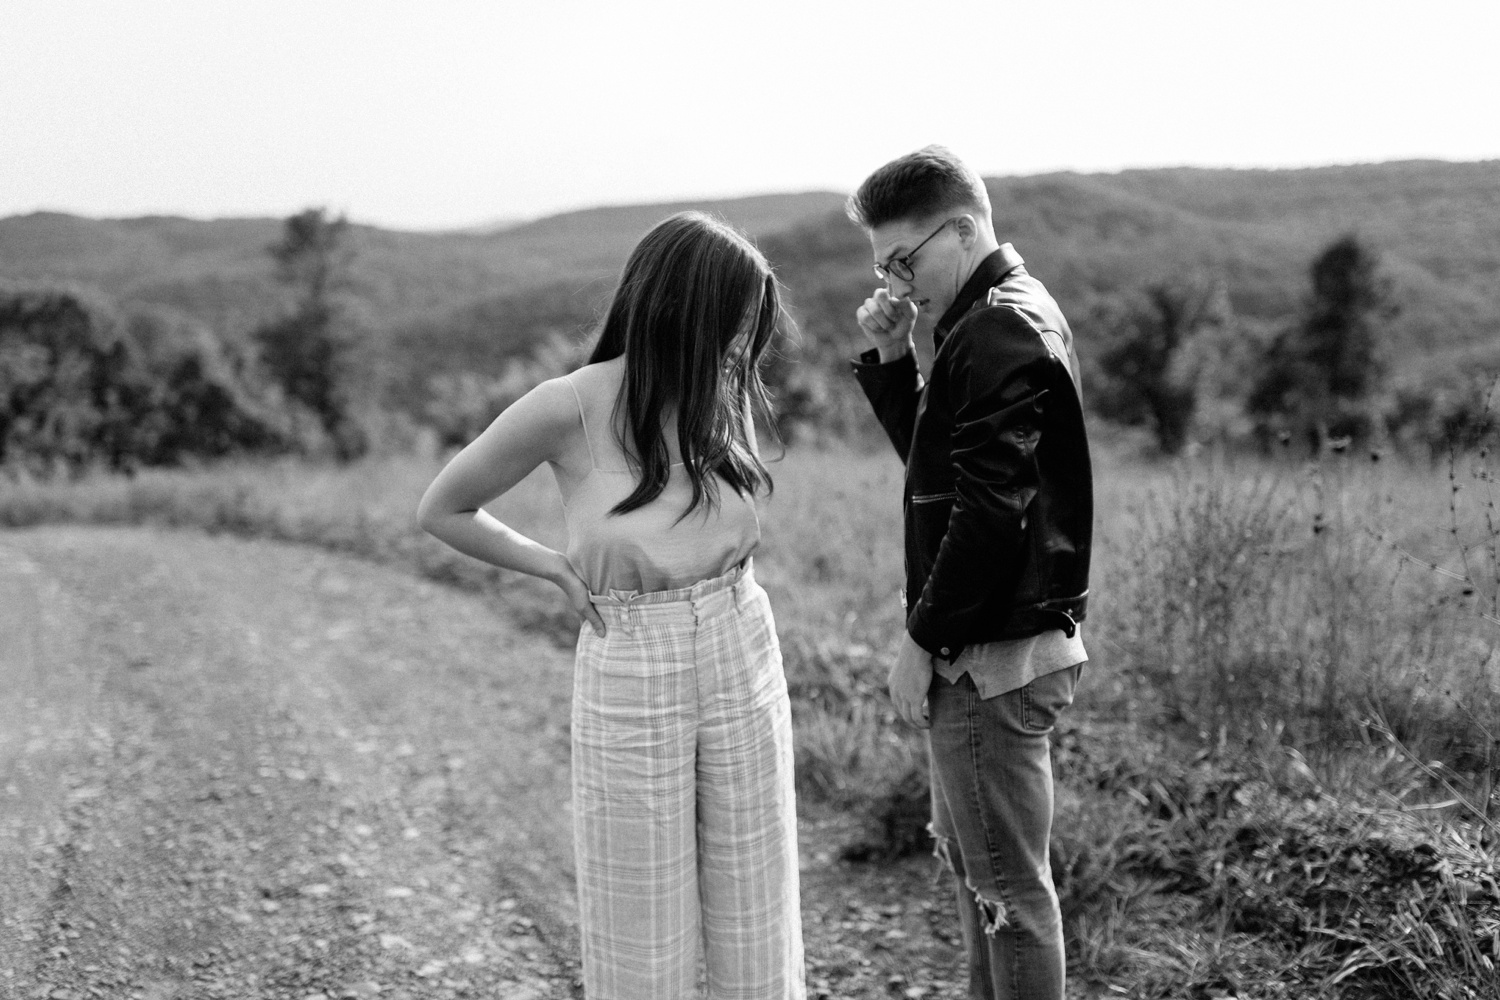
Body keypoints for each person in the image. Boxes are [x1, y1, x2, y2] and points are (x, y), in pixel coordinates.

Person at [418, 212, 804, 1000]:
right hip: (633, 657)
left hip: (741, 639)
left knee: (759, 906)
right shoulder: (569, 405)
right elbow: (444, 506)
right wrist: (552, 568)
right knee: (640, 925)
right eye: (735, 322)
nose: (744, 345)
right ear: (687, 310)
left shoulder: (715, 392)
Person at [847, 146, 1093, 1000]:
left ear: (963, 227)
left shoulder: (999, 325)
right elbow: (941, 474)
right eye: (882, 266)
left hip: (988, 654)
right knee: (978, 877)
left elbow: (990, 513)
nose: (897, 283)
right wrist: (892, 359)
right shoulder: (984, 319)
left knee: (1008, 897)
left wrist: (923, 639)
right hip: (987, 643)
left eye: (905, 261)